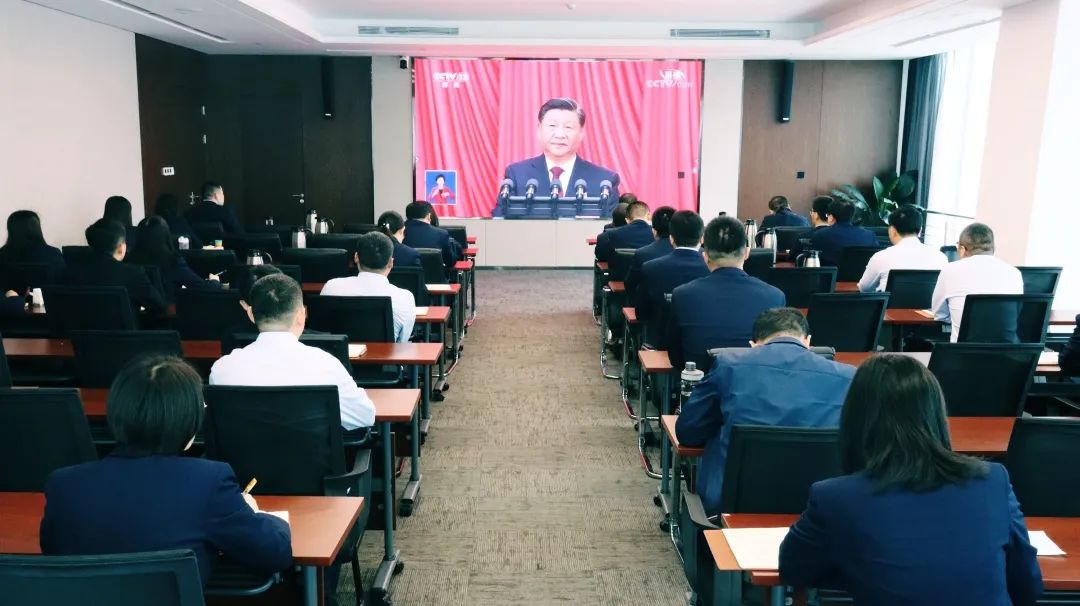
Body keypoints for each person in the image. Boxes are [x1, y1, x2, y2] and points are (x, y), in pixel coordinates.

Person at [779, 354, 1043, 605]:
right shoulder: (992, 480)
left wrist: (864, 573)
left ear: (855, 419)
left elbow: (793, 568)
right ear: (936, 414)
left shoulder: (836, 497)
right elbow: (1028, 585)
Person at [40, 355, 292, 585]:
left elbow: (54, 552)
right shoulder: (209, 482)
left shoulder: (63, 485)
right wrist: (256, 514)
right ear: (188, 418)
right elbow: (275, 552)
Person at [676, 308, 855, 516]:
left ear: (753, 345)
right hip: (820, 506)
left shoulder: (729, 364)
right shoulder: (849, 376)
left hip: (733, 507)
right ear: (808, 341)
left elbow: (688, 432)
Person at [209, 273, 376, 430]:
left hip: (242, 453)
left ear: (251, 314)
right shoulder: (327, 365)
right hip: (311, 453)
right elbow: (364, 417)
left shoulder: (222, 369)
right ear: (302, 314)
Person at [668, 216, 785, 370]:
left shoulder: (682, 295)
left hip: (701, 381)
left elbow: (675, 358)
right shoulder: (775, 296)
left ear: (705, 256)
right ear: (747, 252)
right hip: (754, 382)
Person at [496, 97, 621, 217]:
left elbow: (612, 227)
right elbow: (499, 223)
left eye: (568, 127)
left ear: (581, 133)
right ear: (539, 129)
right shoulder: (517, 175)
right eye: (552, 126)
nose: (560, 134)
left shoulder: (604, 181)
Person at [930, 223, 1023, 342]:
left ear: (962, 249)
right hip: (1006, 350)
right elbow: (1014, 315)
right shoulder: (1014, 273)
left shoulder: (949, 270)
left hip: (963, 351)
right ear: (993, 248)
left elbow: (939, 314)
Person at [321, 232, 416, 343]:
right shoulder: (405, 298)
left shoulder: (331, 287)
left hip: (337, 354)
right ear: (391, 262)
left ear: (356, 257)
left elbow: (322, 332)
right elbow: (402, 342)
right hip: (385, 354)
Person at [63, 218, 167, 316]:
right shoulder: (133, 274)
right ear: (121, 248)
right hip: (124, 330)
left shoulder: (69, 273)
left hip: (76, 330)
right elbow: (159, 307)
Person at [634, 210, 709, 341]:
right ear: (702, 238)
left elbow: (641, 313)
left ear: (671, 238)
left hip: (660, 340)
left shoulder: (650, 268)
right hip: (702, 340)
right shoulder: (711, 267)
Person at [126, 216, 221, 304]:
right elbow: (204, 288)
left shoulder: (129, 260)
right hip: (168, 314)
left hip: (136, 314)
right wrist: (214, 281)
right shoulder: (173, 262)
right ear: (167, 236)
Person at [857, 204, 947, 292]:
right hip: (927, 303)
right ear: (920, 231)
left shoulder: (880, 257)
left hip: (890, 303)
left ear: (892, 230)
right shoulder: (940, 257)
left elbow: (864, 288)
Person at [807, 198, 878, 266]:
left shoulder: (820, 235)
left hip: (831, 274)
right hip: (862, 274)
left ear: (831, 217)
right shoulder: (869, 235)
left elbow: (812, 262)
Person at [624, 205, 676, 298]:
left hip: (651, 305)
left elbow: (630, 285)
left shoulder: (641, 254)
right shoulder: (698, 255)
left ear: (654, 231)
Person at [403, 201, 461, 270]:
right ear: (429, 216)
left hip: (404, 275)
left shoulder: (397, 232)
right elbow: (450, 262)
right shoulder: (441, 233)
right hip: (435, 276)